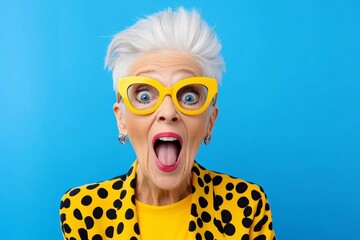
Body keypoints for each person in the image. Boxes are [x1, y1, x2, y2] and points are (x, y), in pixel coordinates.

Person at [60, 7, 276, 240]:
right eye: (144, 96)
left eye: (189, 97)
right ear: (121, 119)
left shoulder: (246, 206)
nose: (168, 112)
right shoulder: (83, 210)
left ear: (210, 122)